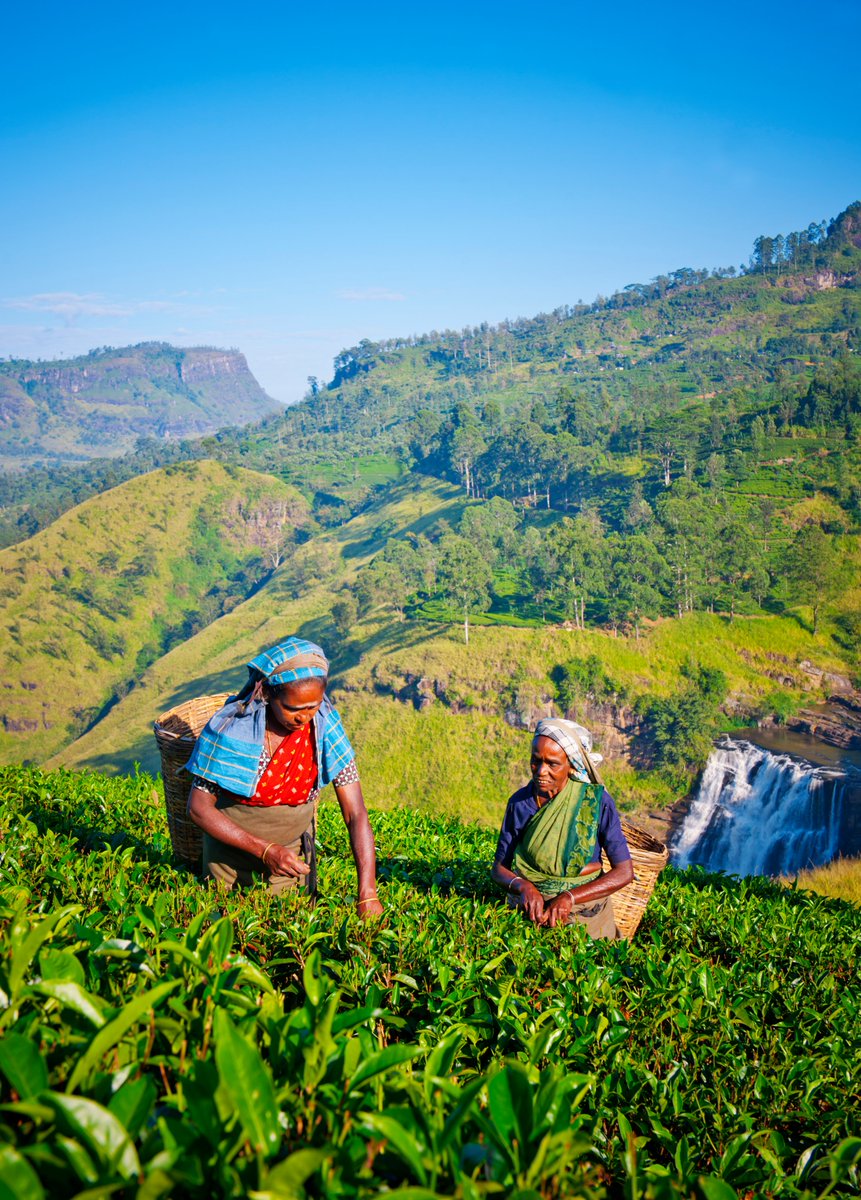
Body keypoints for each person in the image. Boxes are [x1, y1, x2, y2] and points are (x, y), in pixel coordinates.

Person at [184, 636, 383, 919]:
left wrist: (367, 893)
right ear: (267, 694)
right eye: (293, 708)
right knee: (227, 929)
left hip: (289, 862)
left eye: (313, 706)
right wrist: (265, 850)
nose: (304, 718)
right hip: (228, 862)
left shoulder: (325, 729)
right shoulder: (233, 730)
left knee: (287, 929)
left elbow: (356, 813)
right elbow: (198, 808)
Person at [491, 718, 633, 938]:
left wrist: (570, 897)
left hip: (586, 914)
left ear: (571, 766)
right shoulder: (520, 804)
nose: (540, 771)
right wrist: (524, 887)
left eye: (552, 764)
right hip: (530, 912)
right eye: (535, 761)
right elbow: (499, 870)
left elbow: (624, 872)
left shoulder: (595, 803)